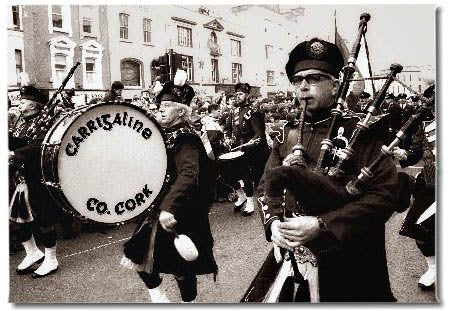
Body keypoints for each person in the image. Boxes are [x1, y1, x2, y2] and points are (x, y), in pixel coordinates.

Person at [245, 38, 398, 302]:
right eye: (297, 80)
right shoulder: (286, 133)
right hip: (294, 257)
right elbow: (265, 186)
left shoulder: (361, 132)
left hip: (350, 259)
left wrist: (323, 225)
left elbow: (384, 195)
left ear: (335, 85)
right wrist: (273, 225)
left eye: (314, 78)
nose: (303, 86)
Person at [121, 70, 218, 303]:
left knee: (182, 268)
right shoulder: (163, 135)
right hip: (159, 206)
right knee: (138, 257)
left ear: (182, 111)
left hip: (180, 209)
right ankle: (159, 299)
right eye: (160, 105)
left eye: (168, 105)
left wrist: (169, 207)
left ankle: (188, 304)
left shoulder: (186, 138)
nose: (161, 109)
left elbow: (188, 174)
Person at [9, 86, 60, 278]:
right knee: (17, 220)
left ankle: (51, 259)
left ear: (33, 104)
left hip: (37, 177)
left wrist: (14, 153)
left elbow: (39, 147)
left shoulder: (46, 123)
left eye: (23, 101)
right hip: (20, 177)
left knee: (43, 220)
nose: (19, 103)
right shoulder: (21, 122)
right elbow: (17, 141)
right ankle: (32, 253)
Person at [395, 84, 436, 290]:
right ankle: (434, 267)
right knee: (415, 226)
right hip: (431, 182)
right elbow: (415, 153)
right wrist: (403, 155)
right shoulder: (424, 124)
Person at [223, 83, 269, 216]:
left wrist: (251, 142)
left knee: (245, 174)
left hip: (249, 149)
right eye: (236, 94)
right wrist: (226, 137)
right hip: (235, 147)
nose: (237, 96)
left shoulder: (253, 112)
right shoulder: (233, 111)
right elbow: (227, 128)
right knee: (225, 170)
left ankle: (250, 201)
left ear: (247, 96)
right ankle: (240, 194)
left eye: (240, 94)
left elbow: (258, 133)